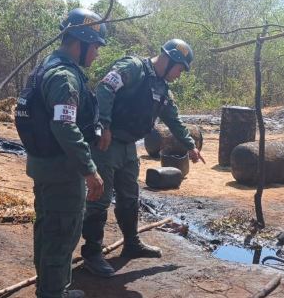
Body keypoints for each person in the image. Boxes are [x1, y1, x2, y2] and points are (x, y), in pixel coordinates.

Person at [81, 39, 205, 277]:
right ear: (170, 61)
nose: (179, 75)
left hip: (129, 148)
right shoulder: (133, 68)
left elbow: (173, 118)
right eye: (180, 69)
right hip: (107, 144)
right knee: (100, 199)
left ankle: (131, 243)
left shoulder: (162, 89)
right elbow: (105, 88)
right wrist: (104, 124)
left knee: (130, 197)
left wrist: (190, 146)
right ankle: (92, 253)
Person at [15, 8, 106, 298]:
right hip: (62, 171)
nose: (97, 54)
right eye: (95, 47)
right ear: (80, 43)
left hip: (45, 167)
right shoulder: (64, 76)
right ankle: (53, 293)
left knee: (47, 228)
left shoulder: (46, 66)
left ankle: (51, 288)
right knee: (62, 233)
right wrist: (89, 170)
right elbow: (65, 126)